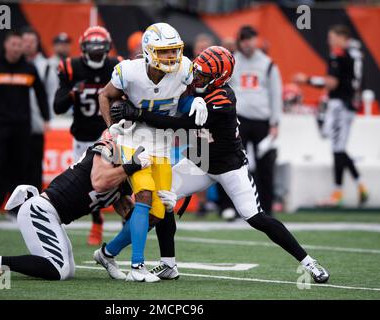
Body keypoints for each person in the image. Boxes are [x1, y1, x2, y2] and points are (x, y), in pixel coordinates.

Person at [112, 46, 330, 284]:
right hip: (201, 159)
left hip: (229, 165)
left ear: (218, 78)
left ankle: (309, 262)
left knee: (256, 218)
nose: (196, 78)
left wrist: (139, 114)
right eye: (197, 72)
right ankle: (168, 264)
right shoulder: (196, 87)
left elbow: (182, 124)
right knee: (163, 199)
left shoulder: (222, 98)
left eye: (203, 76)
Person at [97, 22, 207, 282]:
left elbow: (185, 97)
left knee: (159, 213)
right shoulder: (129, 71)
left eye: (174, 51)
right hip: (133, 140)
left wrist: (197, 100)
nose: (171, 57)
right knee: (144, 196)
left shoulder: (184, 69)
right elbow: (105, 95)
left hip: (164, 144)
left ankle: (107, 252)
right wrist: (111, 129)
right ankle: (137, 266)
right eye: (164, 51)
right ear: (147, 51)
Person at [0, 136, 151, 281]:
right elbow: (100, 182)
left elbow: (131, 214)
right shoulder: (108, 148)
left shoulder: (122, 177)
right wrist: (133, 165)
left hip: (52, 216)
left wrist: (156, 212)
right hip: (40, 210)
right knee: (58, 268)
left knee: (68, 271)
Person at [53, 26, 121, 246]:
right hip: (83, 137)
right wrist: (73, 93)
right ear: (83, 49)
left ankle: (124, 222)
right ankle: (97, 222)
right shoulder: (71, 68)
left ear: (107, 48)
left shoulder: (116, 66)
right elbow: (57, 106)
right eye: (92, 48)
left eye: (100, 48)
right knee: (89, 185)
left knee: (120, 180)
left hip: (111, 135)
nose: (96, 52)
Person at [0, 30, 50, 221]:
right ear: (6, 45)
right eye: (13, 44)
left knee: (20, 168)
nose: (17, 48)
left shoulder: (30, 69)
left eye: (19, 45)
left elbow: (41, 95)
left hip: (21, 127)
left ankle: (15, 209)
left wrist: (46, 117)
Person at [293, 24, 368, 207]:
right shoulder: (355, 54)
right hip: (348, 103)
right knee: (339, 147)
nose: (330, 41)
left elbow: (331, 84)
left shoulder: (338, 55)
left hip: (340, 105)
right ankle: (359, 186)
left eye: (333, 37)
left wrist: (307, 80)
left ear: (343, 38)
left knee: (336, 147)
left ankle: (338, 192)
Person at [230, 25, 283, 216]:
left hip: (262, 120)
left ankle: (266, 208)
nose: (247, 43)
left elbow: (276, 95)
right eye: (244, 39)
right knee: (236, 165)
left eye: (250, 39)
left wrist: (275, 123)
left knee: (265, 166)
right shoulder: (233, 60)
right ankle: (238, 208)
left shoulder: (267, 63)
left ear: (256, 40)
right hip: (240, 119)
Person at [21, 27, 56, 192]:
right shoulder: (13, 65)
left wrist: (47, 118)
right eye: (25, 41)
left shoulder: (46, 66)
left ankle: (33, 200)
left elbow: (51, 95)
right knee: (15, 163)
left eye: (31, 42)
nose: (27, 45)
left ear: (37, 43)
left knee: (35, 164)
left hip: (36, 123)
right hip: (15, 121)